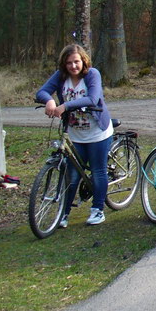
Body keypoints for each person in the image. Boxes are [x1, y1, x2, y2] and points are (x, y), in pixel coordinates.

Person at [36, 44, 113, 227]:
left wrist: (65, 106)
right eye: (69, 63)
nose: (73, 66)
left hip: (97, 132)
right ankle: (63, 214)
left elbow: (93, 98)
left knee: (97, 170)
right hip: (75, 133)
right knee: (71, 174)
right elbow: (42, 91)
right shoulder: (61, 76)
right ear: (64, 64)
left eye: (76, 62)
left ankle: (97, 210)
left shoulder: (92, 74)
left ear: (83, 61)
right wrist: (49, 100)